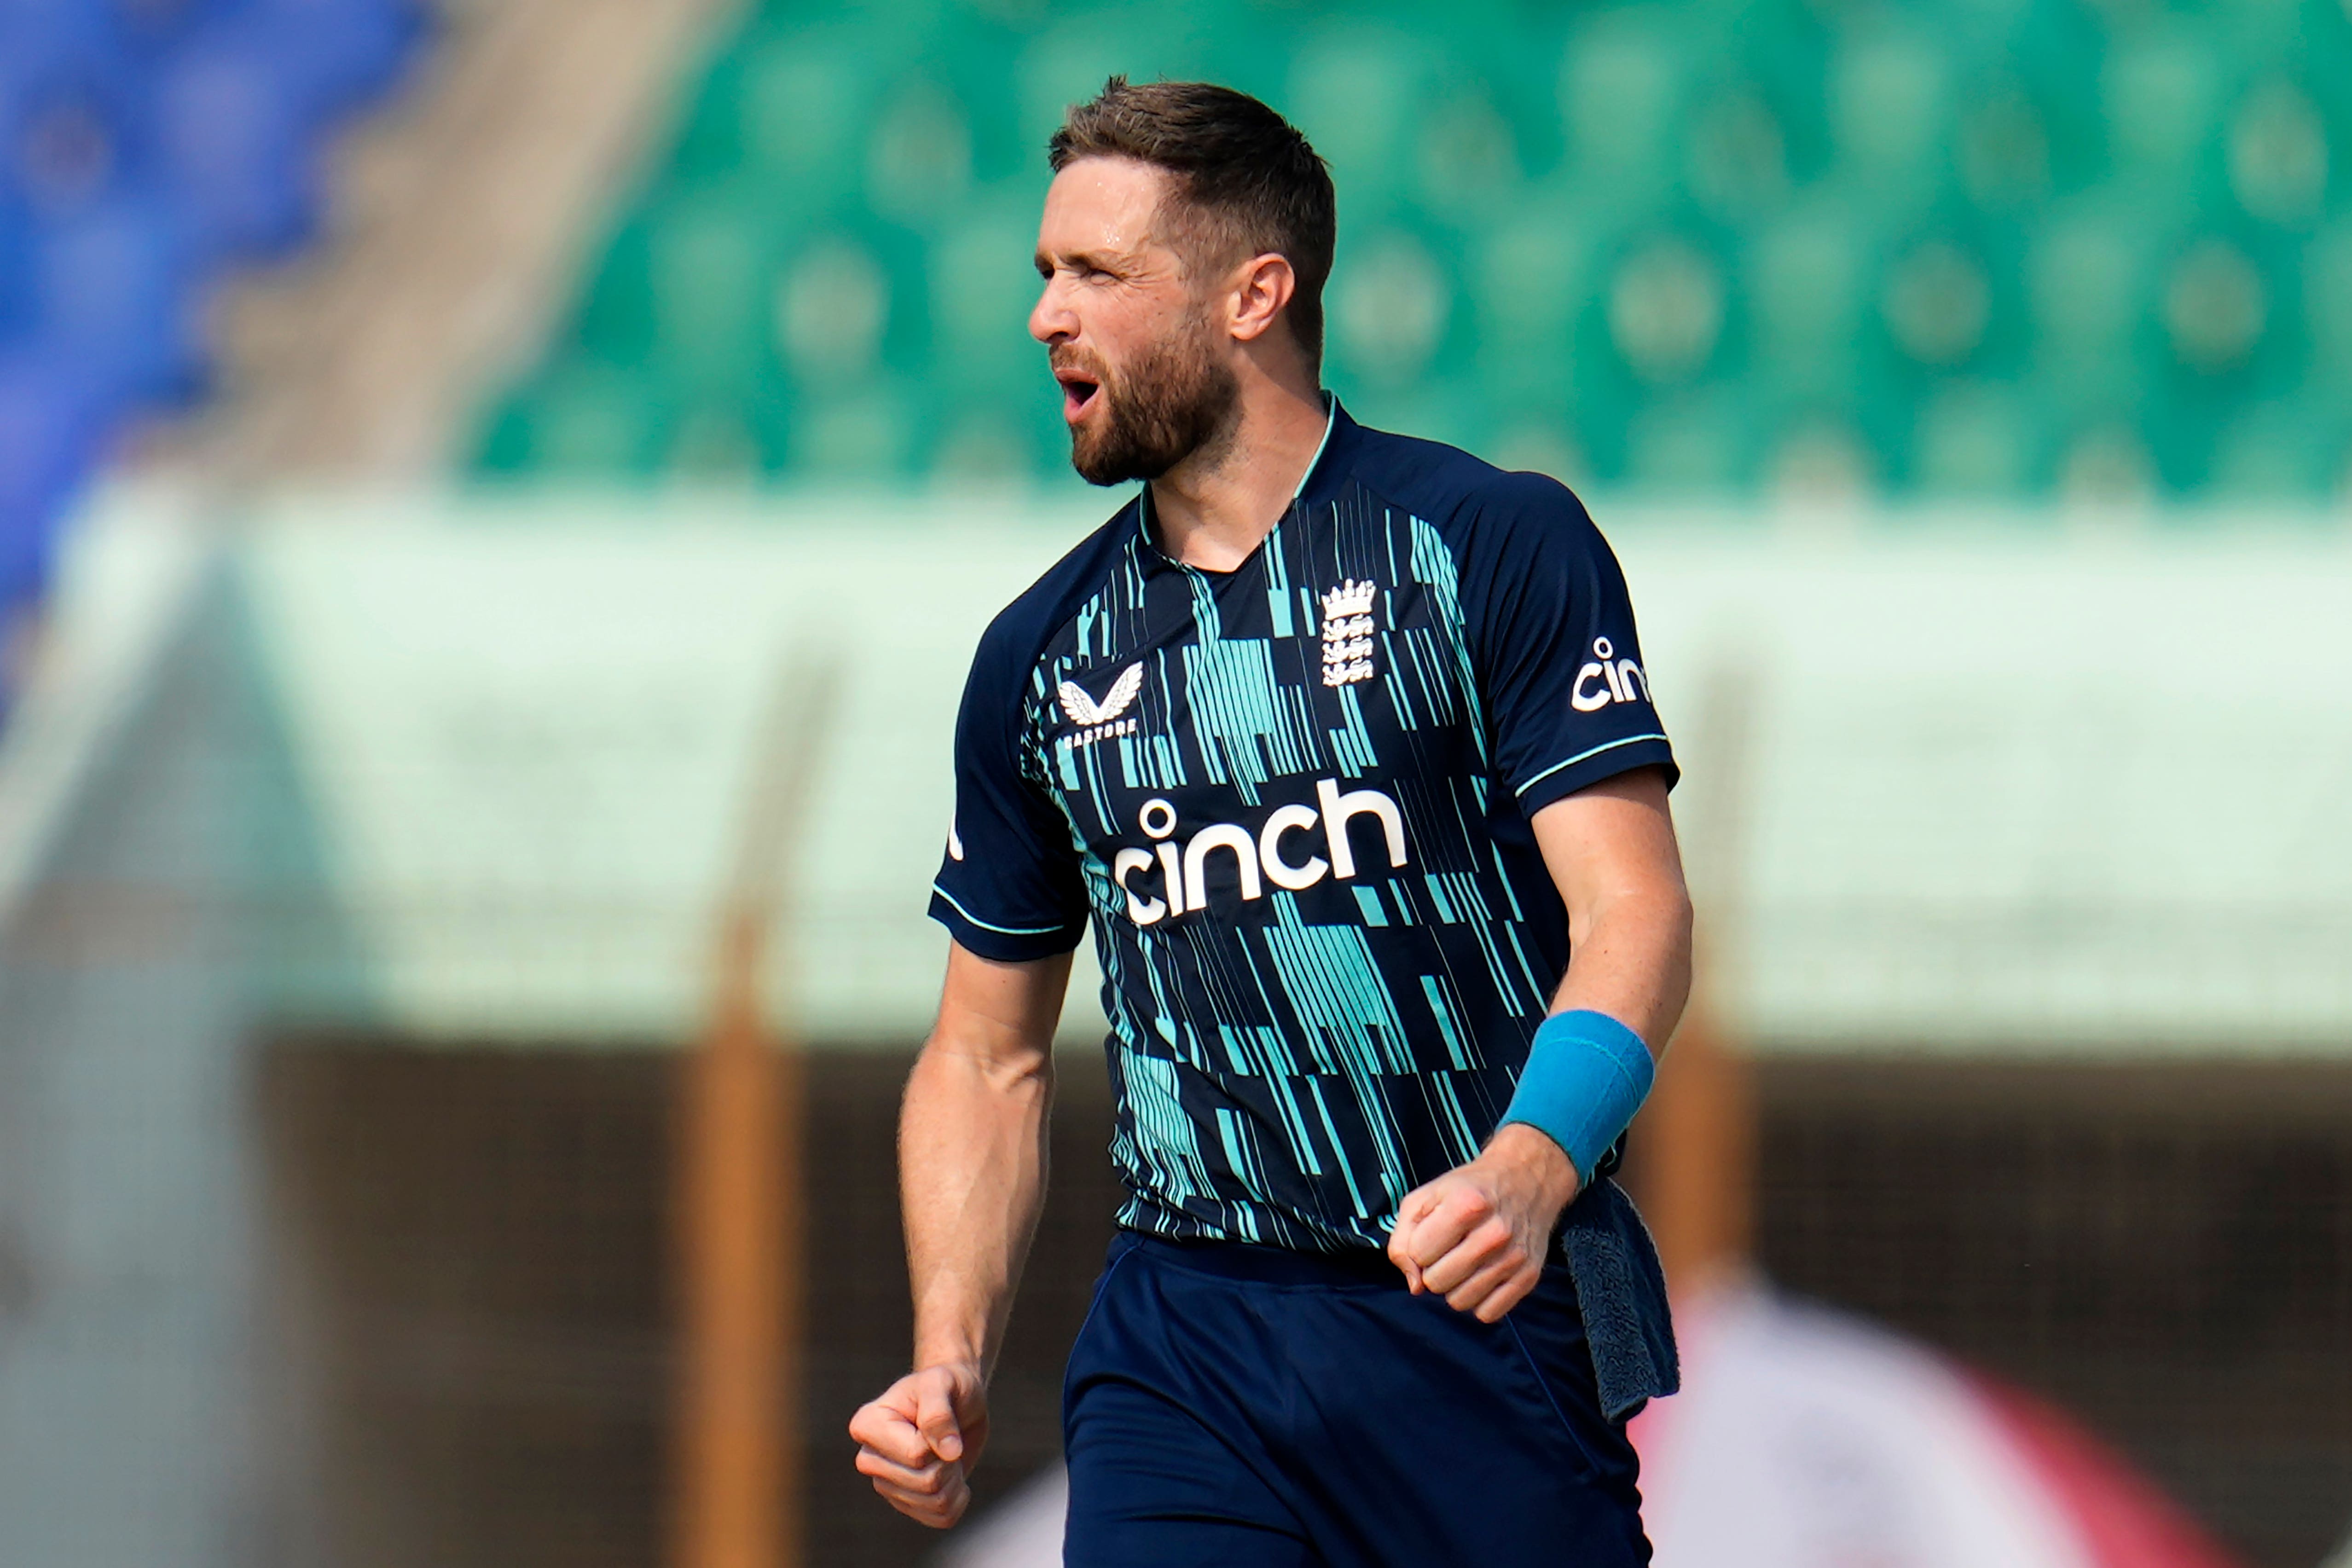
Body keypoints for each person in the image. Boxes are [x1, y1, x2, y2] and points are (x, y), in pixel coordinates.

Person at [850, 76, 1692, 1567]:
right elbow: (985, 1056)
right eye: (1044, 276)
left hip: (1474, 1320)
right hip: (1188, 1348)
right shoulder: (1040, 658)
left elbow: (1637, 917)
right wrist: (951, 1350)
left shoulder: (1486, 544)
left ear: (1255, 293)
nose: (1048, 317)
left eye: (1097, 275)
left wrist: (1532, 1162)